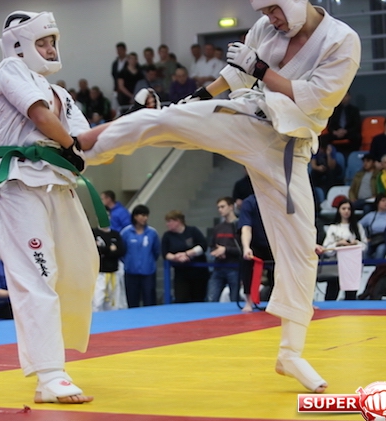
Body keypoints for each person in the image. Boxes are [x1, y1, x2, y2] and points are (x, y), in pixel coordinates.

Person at [79, 0, 360, 393]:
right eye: (264, 11)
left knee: (301, 250)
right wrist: (197, 97)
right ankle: (81, 150)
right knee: (167, 120)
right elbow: (233, 75)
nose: (270, 18)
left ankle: (291, 353)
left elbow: (314, 99)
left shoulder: (342, 40)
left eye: (275, 9)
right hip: (249, 119)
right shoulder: (266, 30)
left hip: (290, 149)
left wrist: (260, 69)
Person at [0, 10, 97, 404]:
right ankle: (50, 373)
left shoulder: (62, 93)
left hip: (59, 186)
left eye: (52, 42)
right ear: (19, 46)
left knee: (81, 269)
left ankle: (55, 359)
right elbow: (40, 117)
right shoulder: (8, 69)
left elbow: (86, 142)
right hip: (19, 185)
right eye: (41, 42)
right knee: (38, 275)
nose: (49, 49)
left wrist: (137, 122)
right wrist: (71, 147)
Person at [319, 199, 366, 300]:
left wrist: (355, 243)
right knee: (331, 293)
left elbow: (365, 246)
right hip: (336, 265)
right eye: (343, 208)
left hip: (352, 265)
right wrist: (338, 243)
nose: (346, 211)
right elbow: (326, 248)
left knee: (351, 295)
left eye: (349, 209)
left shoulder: (358, 227)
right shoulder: (333, 228)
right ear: (339, 210)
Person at [161, 210, 209, 303]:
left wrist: (187, 253)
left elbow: (203, 246)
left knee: (198, 299)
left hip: (198, 272)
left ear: (177, 221)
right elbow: (165, 253)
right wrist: (176, 257)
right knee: (181, 299)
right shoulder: (167, 236)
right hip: (181, 273)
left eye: (169, 221)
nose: (167, 224)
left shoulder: (193, 231)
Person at [238, 194, 274, 312]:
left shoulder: (277, 199)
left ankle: (282, 300)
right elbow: (246, 228)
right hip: (256, 244)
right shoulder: (249, 202)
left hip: (275, 244)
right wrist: (246, 247)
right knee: (246, 260)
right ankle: (248, 301)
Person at [120, 204, 160, 307]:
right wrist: (129, 262)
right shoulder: (126, 232)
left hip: (148, 272)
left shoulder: (152, 233)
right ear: (135, 216)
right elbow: (122, 251)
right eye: (142, 215)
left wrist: (149, 261)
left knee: (149, 300)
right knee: (132, 301)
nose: (145, 218)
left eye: (146, 215)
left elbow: (156, 251)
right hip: (131, 272)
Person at [206, 197, 241, 303]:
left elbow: (242, 249)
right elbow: (212, 245)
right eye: (218, 208)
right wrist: (217, 252)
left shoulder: (239, 226)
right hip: (219, 266)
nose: (220, 210)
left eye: (222, 207)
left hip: (234, 267)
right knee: (211, 298)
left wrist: (225, 250)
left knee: (234, 299)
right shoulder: (218, 227)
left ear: (231, 207)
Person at [92, 223, 126, 312]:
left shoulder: (115, 234)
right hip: (100, 273)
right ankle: (97, 319)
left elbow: (121, 251)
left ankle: (112, 320)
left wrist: (104, 249)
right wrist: (109, 248)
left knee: (113, 302)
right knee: (97, 301)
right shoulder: (94, 233)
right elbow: (95, 251)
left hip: (114, 272)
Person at [358, 194, 386, 259]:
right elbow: (358, 226)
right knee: (364, 251)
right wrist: (364, 237)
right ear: (377, 203)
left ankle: (378, 266)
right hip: (373, 240)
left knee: (380, 250)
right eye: (383, 201)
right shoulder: (371, 215)